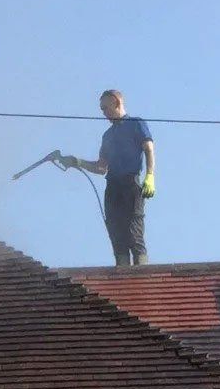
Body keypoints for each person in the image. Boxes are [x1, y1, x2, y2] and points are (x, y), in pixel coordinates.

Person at [65, 89, 155, 267]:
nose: (103, 112)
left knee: (133, 232)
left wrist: (150, 175)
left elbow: (149, 148)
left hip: (131, 183)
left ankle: (142, 274)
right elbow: (101, 168)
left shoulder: (136, 124)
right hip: (113, 187)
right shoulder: (108, 136)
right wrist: (79, 162)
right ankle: (121, 275)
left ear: (116, 103)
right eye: (101, 109)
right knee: (116, 233)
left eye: (105, 108)